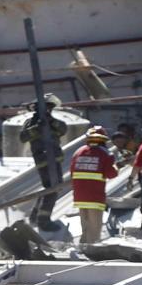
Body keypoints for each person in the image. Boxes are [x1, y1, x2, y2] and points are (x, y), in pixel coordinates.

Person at [19, 94, 67, 232]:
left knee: (51, 187)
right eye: (47, 107)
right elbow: (23, 137)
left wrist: (51, 121)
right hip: (43, 160)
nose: (49, 110)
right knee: (52, 188)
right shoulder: (30, 122)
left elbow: (63, 129)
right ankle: (43, 221)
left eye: (51, 108)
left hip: (55, 159)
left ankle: (35, 215)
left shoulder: (52, 121)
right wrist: (37, 128)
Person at [70, 126, 119, 246]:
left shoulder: (78, 152)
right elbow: (111, 174)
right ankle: (93, 250)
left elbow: (72, 172)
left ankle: (83, 246)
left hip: (80, 196)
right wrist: (117, 166)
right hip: (95, 196)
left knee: (85, 225)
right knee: (95, 227)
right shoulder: (106, 153)